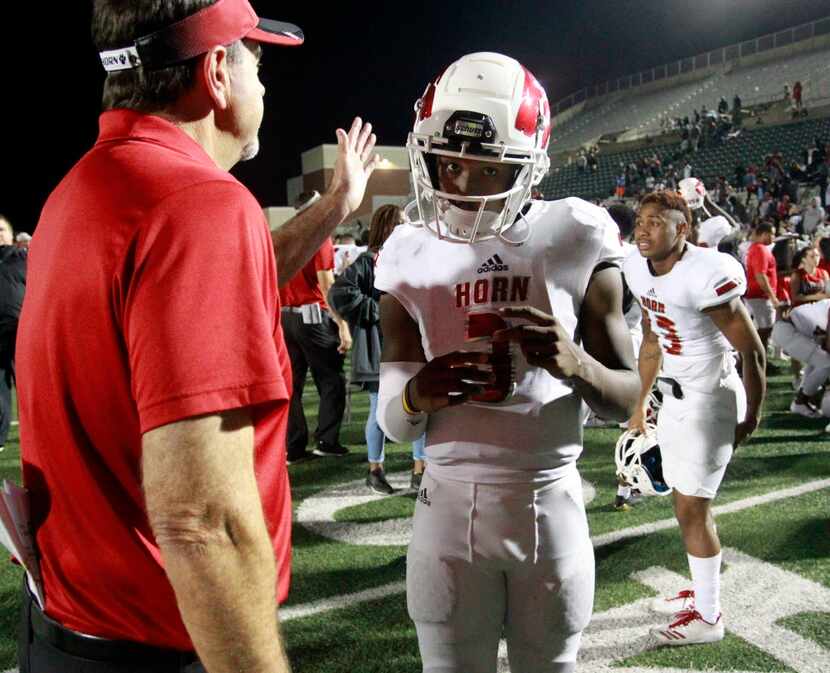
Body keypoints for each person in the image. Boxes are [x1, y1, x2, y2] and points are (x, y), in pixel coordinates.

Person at [15, 2, 380, 672]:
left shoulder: (78, 192)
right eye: (258, 64)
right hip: (158, 647)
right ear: (216, 71)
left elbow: (222, 293)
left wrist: (334, 206)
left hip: (64, 637)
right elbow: (203, 522)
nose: (266, 88)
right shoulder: (198, 207)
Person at [375, 52, 639, 673]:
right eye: (448, 161)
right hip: (447, 502)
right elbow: (394, 420)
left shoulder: (575, 232)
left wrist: (577, 364)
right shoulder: (408, 249)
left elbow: (627, 398)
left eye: (485, 167)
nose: (459, 182)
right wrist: (419, 395)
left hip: (551, 502)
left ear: (528, 166)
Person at [623, 190, 765, 647]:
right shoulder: (635, 265)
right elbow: (651, 340)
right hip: (674, 397)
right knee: (685, 502)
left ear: (682, 228)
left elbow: (752, 351)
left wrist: (752, 416)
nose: (643, 229)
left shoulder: (707, 273)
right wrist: (641, 402)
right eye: (640, 220)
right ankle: (703, 591)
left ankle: (708, 617)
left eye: (655, 221)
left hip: (709, 398)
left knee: (691, 508)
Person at [328, 204, 426, 494]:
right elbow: (339, 293)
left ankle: (419, 469)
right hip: (378, 351)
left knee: (418, 406)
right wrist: (380, 310)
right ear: (391, 228)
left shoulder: (410, 260)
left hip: (409, 347)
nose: (408, 228)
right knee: (378, 410)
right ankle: (375, 469)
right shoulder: (368, 262)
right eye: (403, 224)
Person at [281, 192, 353, 464]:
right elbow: (326, 286)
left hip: (285, 317)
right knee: (331, 379)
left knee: (292, 384)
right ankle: (327, 440)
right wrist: (342, 324)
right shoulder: (319, 238)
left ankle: (294, 446)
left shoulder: (289, 236)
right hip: (312, 317)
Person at [0, 214, 26, 451]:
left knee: (27, 385)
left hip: (21, 332)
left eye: (1, 230)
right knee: (0, 391)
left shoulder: (23, 257)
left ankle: (36, 433)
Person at [743, 223, 780, 364]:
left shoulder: (755, 248)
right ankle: (758, 360)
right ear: (764, 233)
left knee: (762, 330)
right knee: (764, 331)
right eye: (772, 234)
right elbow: (761, 275)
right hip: (760, 297)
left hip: (756, 296)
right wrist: (772, 296)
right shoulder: (760, 249)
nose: (774, 238)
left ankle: (759, 359)